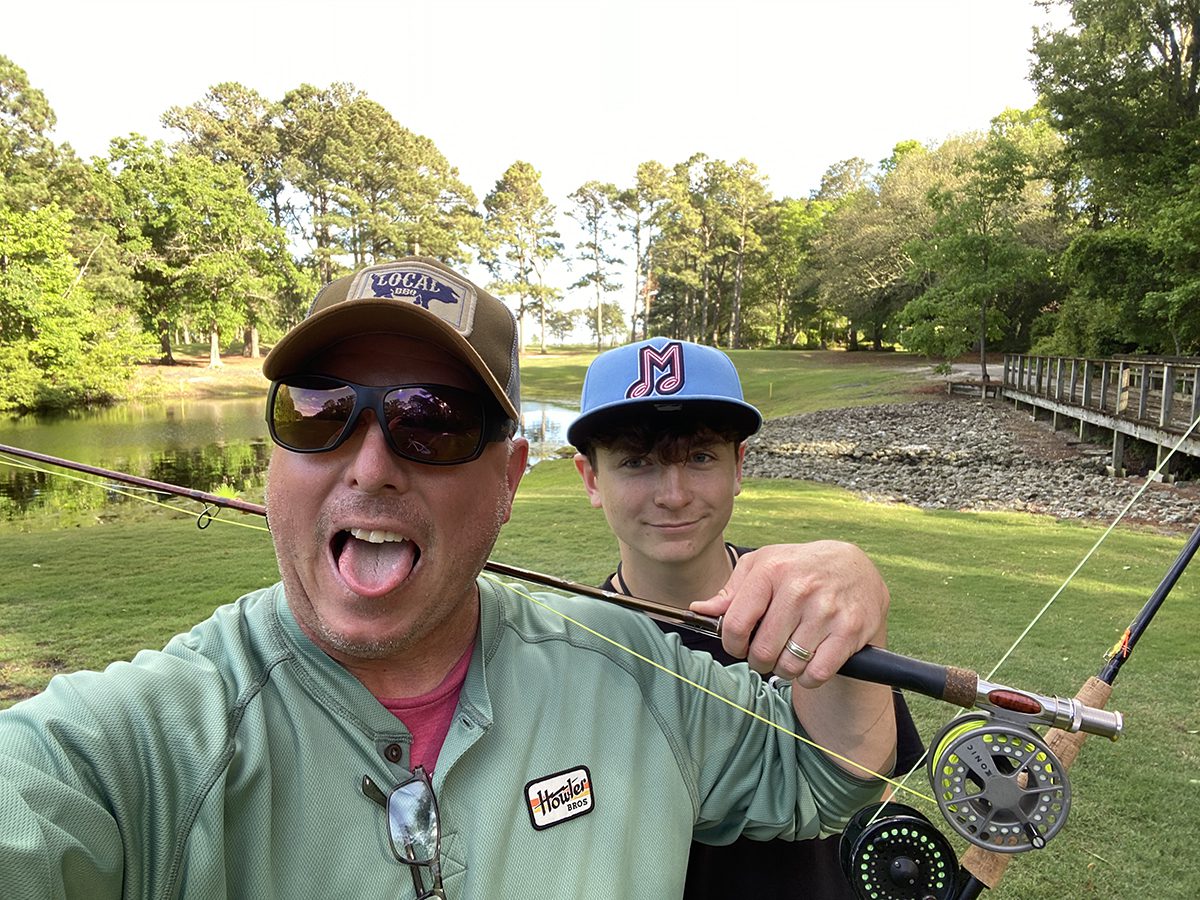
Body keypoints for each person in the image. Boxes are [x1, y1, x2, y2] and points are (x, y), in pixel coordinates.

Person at [0, 258, 896, 900]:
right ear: (272, 453)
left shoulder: (629, 670)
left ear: (508, 480)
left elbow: (827, 776)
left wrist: (857, 590)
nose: (372, 466)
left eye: (433, 420)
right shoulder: (141, 743)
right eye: (320, 411)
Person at [569, 337, 925, 899]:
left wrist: (859, 576)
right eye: (636, 462)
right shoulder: (566, 650)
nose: (674, 494)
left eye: (701, 456)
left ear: (739, 467)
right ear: (591, 478)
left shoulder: (812, 603)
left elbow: (871, 780)